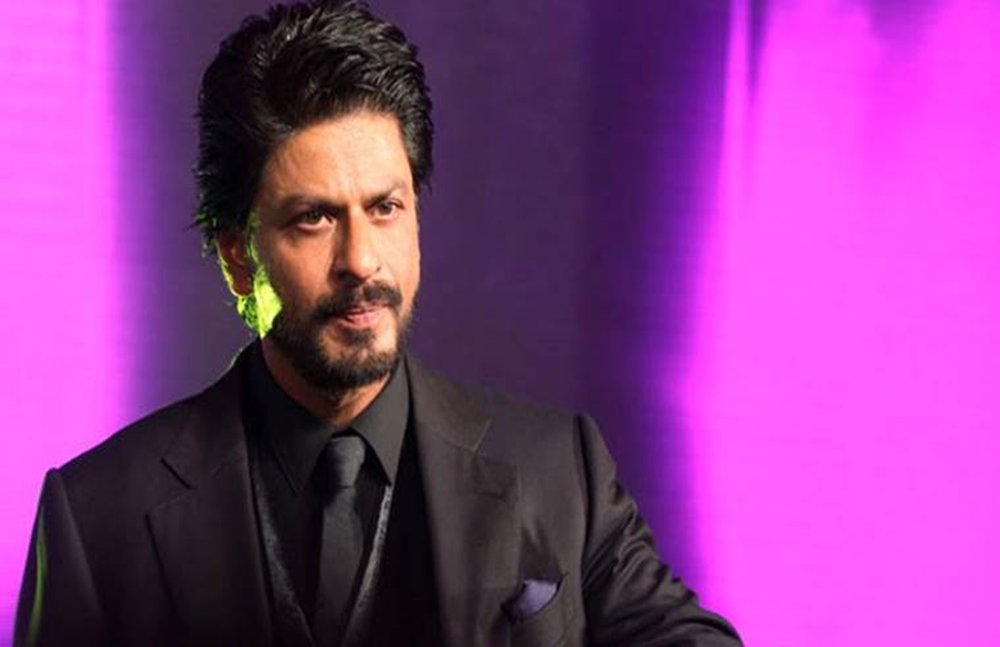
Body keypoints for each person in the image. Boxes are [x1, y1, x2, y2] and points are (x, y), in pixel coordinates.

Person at [15, 1, 742, 645]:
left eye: (385, 208)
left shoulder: (559, 472)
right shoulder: (99, 515)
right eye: (314, 218)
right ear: (239, 258)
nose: (361, 260)